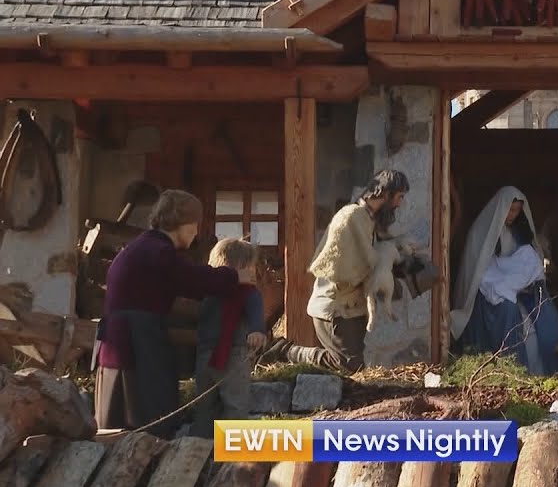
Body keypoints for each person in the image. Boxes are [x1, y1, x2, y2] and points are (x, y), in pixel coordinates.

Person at [94, 190, 240, 436]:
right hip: (137, 341)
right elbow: (194, 281)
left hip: (118, 341)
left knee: (117, 416)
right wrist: (233, 275)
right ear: (182, 223)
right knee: (148, 420)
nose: (196, 232)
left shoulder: (139, 247)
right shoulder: (158, 252)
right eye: (194, 224)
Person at [260, 169, 415, 372]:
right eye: (399, 197)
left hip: (351, 307)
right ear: (386, 194)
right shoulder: (351, 217)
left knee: (352, 367)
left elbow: (370, 256)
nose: (399, 204)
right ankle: (286, 351)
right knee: (347, 364)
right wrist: (381, 262)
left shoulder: (368, 220)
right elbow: (343, 266)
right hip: (337, 307)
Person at [451, 186, 558, 375]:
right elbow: (478, 270)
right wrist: (502, 282)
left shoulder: (518, 233)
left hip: (516, 290)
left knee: (544, 320)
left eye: (517, 211)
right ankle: (510, 367)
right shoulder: (480, 232)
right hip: (487, 291)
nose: (513, 215)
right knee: (507, 308)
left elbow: (523, 260)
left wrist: (519, 279)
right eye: (510, 210)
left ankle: (543, 370)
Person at [190, 238, 268, 438]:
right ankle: (212, 449)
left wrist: (257, 330)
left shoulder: (214, 292)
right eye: (251, 265)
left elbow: (254, 313)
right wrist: (257, 330)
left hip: (218, 353)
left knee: (217, 405)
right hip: (221, 353)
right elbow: (254, 311)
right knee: (226, 405)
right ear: (242, 266)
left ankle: (211, 449)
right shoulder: (238, 292)